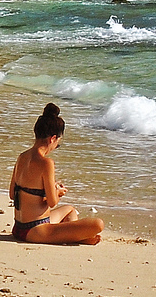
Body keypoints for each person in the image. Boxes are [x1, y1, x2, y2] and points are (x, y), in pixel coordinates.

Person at [8, 104, 105, 244]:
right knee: (98, 224)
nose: (56, 147)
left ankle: (75, 236)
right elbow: (52, 202)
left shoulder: (22, 157)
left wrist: (46, 189)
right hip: (36, 230)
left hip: (18, 228)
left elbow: (13, 194)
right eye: (58, 142)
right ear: (52, 139)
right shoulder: (47, 163)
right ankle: (77, 237)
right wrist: (57, 192)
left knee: (70, 210)